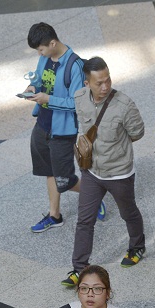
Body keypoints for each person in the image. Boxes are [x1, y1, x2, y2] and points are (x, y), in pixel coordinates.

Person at [61, 57, 146, 288]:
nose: (105, 86)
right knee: (84, 221)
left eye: (107, 80)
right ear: (87, 83)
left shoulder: (124, 104)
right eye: (99, 82)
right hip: (91, 171)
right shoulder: (80, 98)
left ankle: (137, 246)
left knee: (128, 212)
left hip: (119, 172)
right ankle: (79, 268)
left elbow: (138, 133)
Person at [23, 22, 105, 233]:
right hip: (42, 123)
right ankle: (54, 216)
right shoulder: (44, 58)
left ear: (52, 43)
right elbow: (40, 77)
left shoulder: (75, 66)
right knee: (49, 172)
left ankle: (93, 195)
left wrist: (47, 98)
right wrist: (33, 86)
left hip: (62, 130)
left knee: (65, 180)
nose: (39, 54)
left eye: (41, 49)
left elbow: (76, 103)